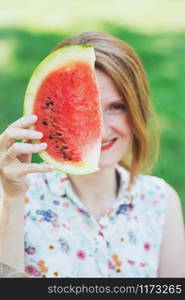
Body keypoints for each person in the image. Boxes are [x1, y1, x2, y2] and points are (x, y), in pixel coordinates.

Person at [0, 31, 185, 278]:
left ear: (137, 110)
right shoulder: (15, 194)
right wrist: (12, 202)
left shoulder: (160, 202)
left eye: (116, 107)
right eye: (80, 109)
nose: (100, 128)